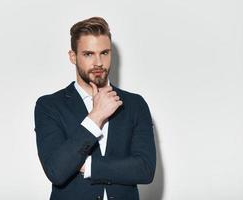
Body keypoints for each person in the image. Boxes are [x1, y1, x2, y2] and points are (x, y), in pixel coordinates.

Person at [34, 16, 156, 200]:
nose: (98, 62)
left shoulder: (135, 104)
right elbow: (56, 171)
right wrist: (96, 116)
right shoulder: (49, 105)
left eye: (104, 53)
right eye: (89, 54)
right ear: (73, 57)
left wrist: (87, 166)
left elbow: (145, 170)